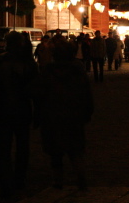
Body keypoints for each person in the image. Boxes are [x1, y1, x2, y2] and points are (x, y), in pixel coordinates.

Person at [0, 31, 39, 200]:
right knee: (22, 146)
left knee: (3, 149)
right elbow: (36, 91)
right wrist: (38, 111)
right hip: (22, 109)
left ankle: (5, 182)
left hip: (2, 109)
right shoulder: (29, 63)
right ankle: (19, 179)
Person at [33, 37, 94, 191]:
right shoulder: (78, 70)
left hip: (52, 115)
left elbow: (39, 94)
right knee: (76, 150)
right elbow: (86, 94)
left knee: (55, 151)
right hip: (74, 115)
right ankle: (80, 178)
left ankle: (58, 180)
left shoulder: (48, 71)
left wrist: (38, 114)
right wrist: (87, 112)